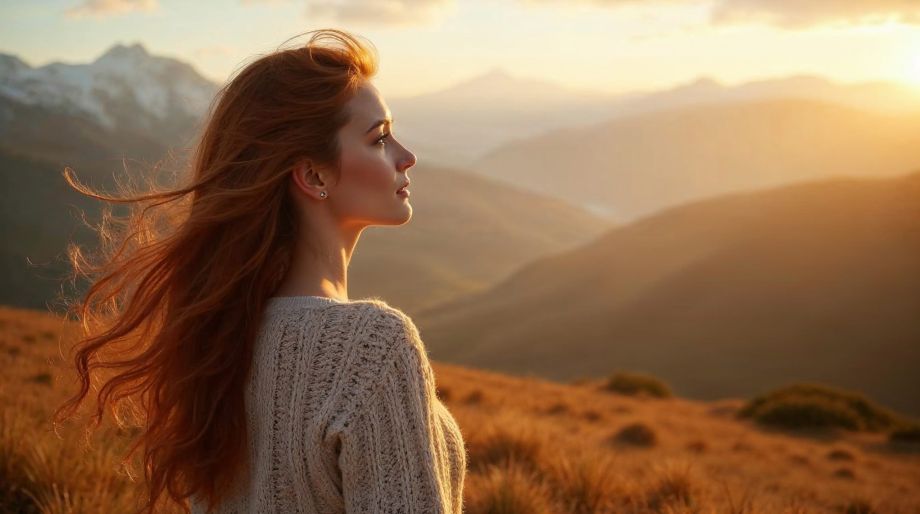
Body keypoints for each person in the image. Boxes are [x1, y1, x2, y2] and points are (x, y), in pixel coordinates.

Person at [52, 28, 466, 514]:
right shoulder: (372, 345)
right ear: (313, 176)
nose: (406, 156)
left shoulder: (214, 340)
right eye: (379, 139)